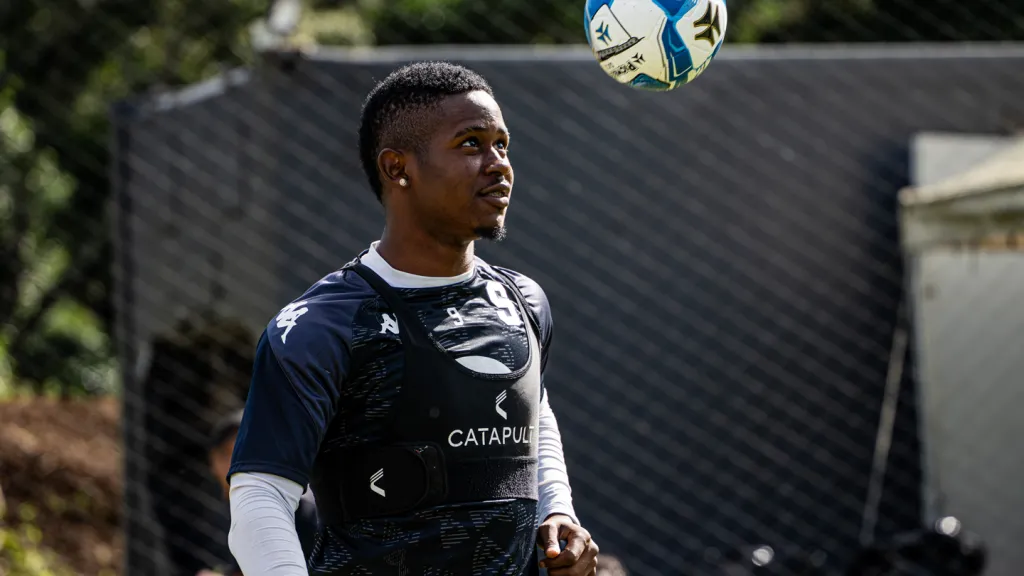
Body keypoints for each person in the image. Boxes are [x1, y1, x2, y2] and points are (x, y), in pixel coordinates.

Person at [226, 61, 600, 576]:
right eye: (471, 143)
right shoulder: (322, 325)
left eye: (502, 144)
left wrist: (557, 508)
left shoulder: (523, 300)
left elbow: (532, 413)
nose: (498, 164)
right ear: (397, 167)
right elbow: (260, 495)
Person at [200, 409, 319, 576]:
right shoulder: (228, 508)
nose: (235, 462)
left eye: (247, 451)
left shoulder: (298, 508)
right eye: (227, 454)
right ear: (212, 462)